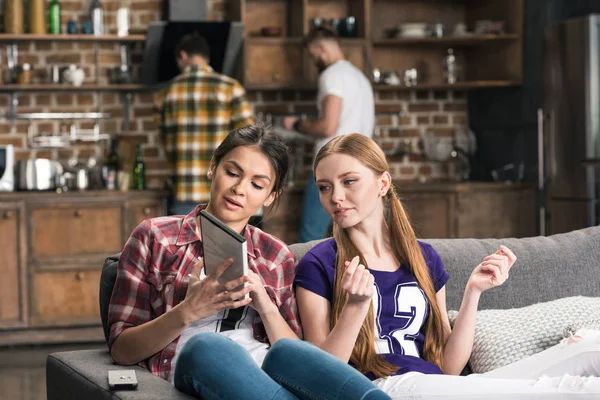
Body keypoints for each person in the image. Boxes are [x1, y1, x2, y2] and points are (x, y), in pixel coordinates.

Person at [294, 133, 600, 398]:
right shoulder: (318, 263)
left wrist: (473, 293)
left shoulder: (423, 258)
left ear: (383, 183)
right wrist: (355, 307)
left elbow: (449, 368)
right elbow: (321, 376)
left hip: (437, 386)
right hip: (383, 389)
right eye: (324, 187)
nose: (335, 197)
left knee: (589, 350)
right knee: (570, 390)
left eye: (349, 182)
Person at [108, 125, 389, 400]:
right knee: (208, 345)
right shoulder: (155, 236)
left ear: (270, 196)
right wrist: (187, 311)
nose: (239, 189)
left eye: (257, 185)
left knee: (290, 353)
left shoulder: (276, 255)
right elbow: (122, 349)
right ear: (212, 168)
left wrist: (265, 305)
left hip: (263, 372)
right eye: (231, 173)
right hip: (197, 362)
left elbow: (296, 357)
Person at [283, 27, 374, 243]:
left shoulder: (332, 76)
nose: (315, 61)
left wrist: (296, 124)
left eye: (314, 56)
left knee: (310, 236)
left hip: (333, 168)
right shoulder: (359, 77)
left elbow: (327, 127)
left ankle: (307, 278)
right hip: (361, 168)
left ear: (321, 48)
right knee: (358, 238)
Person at [160, 32, 254, 216]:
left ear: (183, 56)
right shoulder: (230, 87)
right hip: (225, 189)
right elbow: (251, 139)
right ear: (206, 58)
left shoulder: (168, 92)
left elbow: (164, 139)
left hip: (184, 189)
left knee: (185, 244)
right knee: (225, 244)